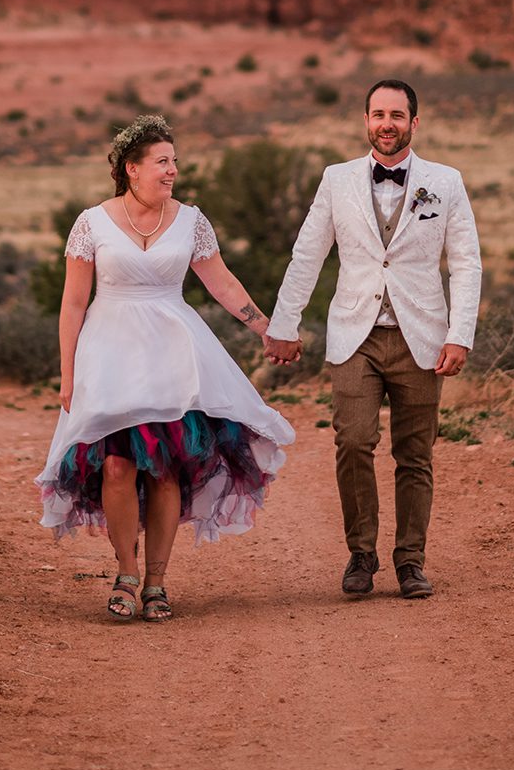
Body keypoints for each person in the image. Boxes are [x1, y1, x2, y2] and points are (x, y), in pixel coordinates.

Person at [36, 114, 295, 622]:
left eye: (174, 161)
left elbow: (221, 283)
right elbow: (72, 304)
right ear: (131, 169)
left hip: (174, 355)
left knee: (166, 468)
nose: (172, 170)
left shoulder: (191, 220)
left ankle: (157, 579)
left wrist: (267, 328)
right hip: (109, 354)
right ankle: (125, 572)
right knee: (115, 465)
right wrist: (67, 373)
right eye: (162, 162)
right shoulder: (92, 222)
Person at [265, 79, 481, 601]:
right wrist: (283, 323)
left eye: (397, 115)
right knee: (354, 441)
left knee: (415, 453)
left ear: (414, 122)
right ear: (366, 121)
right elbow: (308, 253)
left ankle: (411, 561)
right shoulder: (336, 180)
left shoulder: (445, 181)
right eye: (378, 114)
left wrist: (460, 335)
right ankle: (362, 554)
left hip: (422, 337)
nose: (387, 123)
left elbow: (467, 262)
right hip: (354, 334)